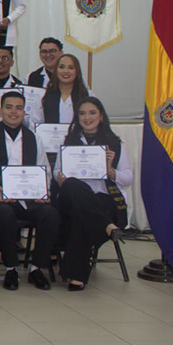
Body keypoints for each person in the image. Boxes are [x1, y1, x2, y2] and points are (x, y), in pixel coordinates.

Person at [0, 91, 57, 291]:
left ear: (24, 112)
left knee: (51, 214)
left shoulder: (34, 138)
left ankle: (36, 267)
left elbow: (44, 171)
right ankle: (11, 267)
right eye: (9, 107)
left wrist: (42, 192)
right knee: (4, 214)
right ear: (1, 111)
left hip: (29, 197)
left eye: (19, 108)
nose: (14, 112)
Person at [53, 97, 131, 291]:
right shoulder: (69, 141)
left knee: (83, 215)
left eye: (92, 113)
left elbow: (128, 178)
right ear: (77, 117)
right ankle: (106, 225)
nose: (87, 117)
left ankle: (77, 276)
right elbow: (57, 172)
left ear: (101, 116)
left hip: (103, 196)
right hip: (72, 195)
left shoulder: (114, 143)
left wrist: (111, 170)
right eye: (82, 113)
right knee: (72, 185)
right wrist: (60, 178)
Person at [32, 53, 90, 127]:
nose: (65, 71)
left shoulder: (87, 95)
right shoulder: (43, 95)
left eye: (71, 68)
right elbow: (35, 123)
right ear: (56, 70)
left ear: (77, 71)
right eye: (61, 67)